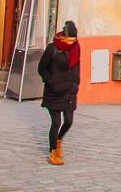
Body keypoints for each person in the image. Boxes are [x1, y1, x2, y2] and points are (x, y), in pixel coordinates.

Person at [38, 20, 80, 165]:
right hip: (54, 92)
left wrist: (75, 83)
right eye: (70, 39)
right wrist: (51, 81)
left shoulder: (76, 47)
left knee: (69, 121)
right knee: (56, 122)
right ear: (63, 35)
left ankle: (59, 140)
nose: (72, 42)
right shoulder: (53, 48)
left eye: (74, 39)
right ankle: (53, 152)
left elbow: (76, 66)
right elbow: (41, 68)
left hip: (69, 91)